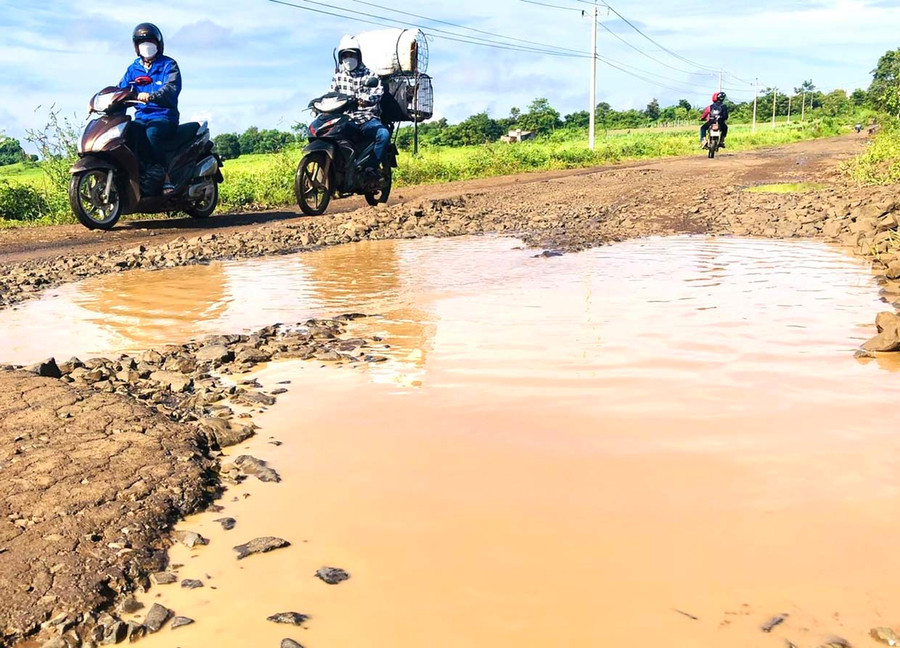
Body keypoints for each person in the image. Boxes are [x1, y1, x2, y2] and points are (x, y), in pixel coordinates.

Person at [118, 23, 182, 193]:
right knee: (127, 132)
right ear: (136, 46)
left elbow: (171, 88)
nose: (146, 46)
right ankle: (137, 175)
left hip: (164, 117)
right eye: (142, 42)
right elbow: (121, 90)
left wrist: (152, 96)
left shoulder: (168, 65)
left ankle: (164, 176)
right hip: (142, 117)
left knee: (151, 133)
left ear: (158, 44)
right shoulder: (133, 69)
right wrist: (105, 103)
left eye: (150, 42)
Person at [329, 35, 390, 177]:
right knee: (329, 134)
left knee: (383, 134)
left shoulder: (370, 74)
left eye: (351, 55)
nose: (348, 59)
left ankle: (370, 168)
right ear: (341, 58)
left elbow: (377, 92)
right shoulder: (338, 77)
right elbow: (331, 95)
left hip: (367, 118)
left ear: (358, 56)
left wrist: (365, 100)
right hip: (345, 119)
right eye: (345, 56)